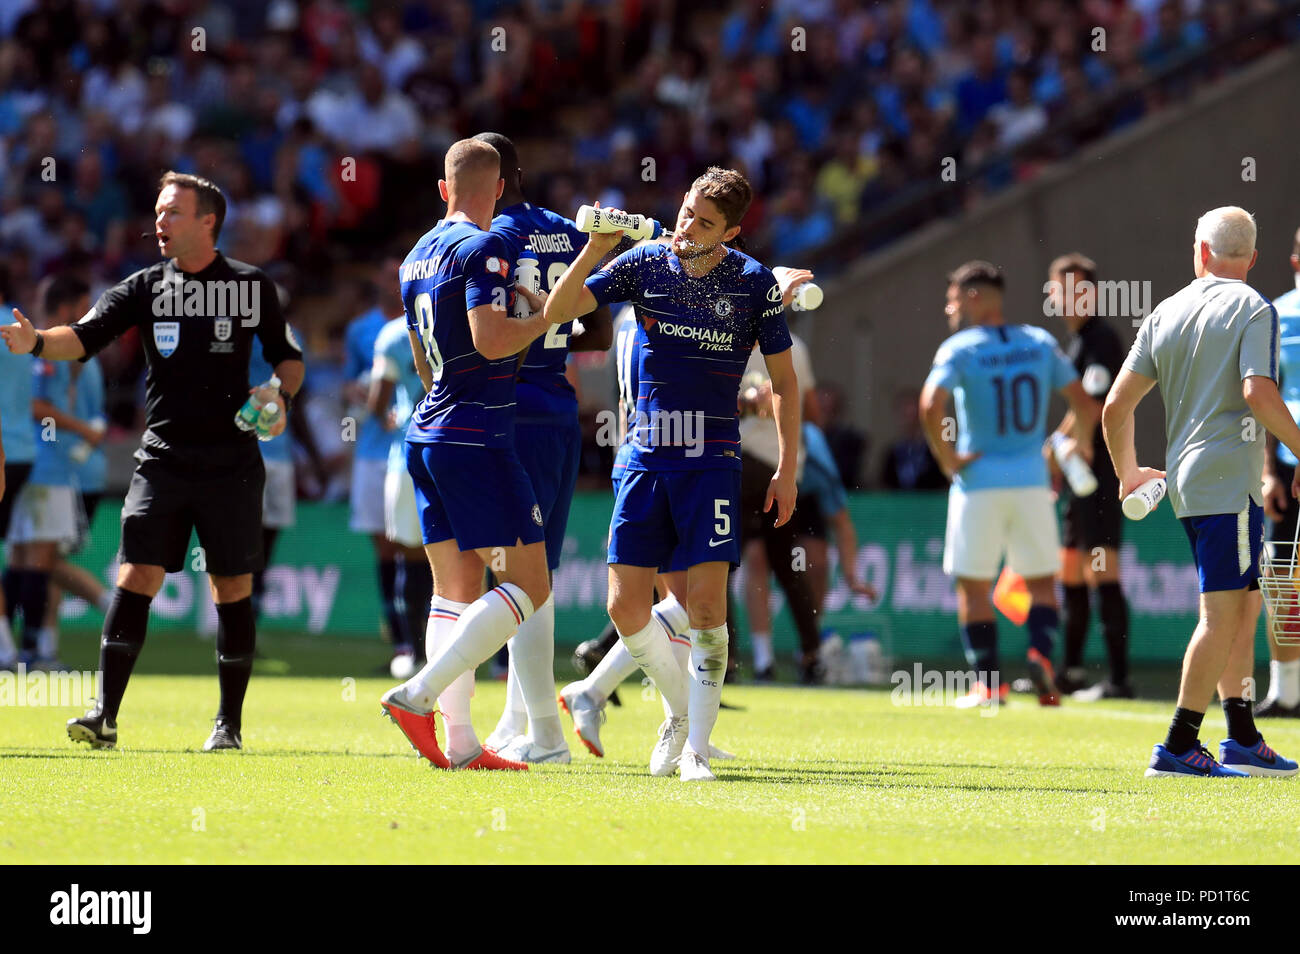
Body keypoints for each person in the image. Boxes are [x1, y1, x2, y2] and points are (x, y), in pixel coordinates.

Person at [1, 171, 305, 752]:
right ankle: (104, 715)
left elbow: (288, 360)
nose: (159, 222)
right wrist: (37, 340)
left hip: (232, 463)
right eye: (158, 211)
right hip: (161, 459)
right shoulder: (142, 286)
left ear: (207, 221)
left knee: (231, 586)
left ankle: (228, 726)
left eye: (172, 213)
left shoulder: (251, 286)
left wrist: (277, 394)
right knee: (135, 573)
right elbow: (86, 336)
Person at [546, 167, 801, 781]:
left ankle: (692, 747)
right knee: (624, 606)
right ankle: (682, 715)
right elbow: (559, 313)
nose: (687, 227)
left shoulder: (751, 283)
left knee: (706, 607)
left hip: (712, 461)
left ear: (732, 233)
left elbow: (785, 385)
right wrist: (595, 250)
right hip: (644, 457)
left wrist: (788, 469)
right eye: (686, 212)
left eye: (705, 223)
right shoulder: (646, 263)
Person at [378, 138, 558, 772]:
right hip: (478, 434)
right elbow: (488, 341)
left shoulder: (415, 257)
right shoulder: (484, 247)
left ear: (442, 188)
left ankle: (457, 744)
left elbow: (426, 362)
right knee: (529, 584)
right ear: (501, 188)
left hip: (427, 433)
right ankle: (418, 694)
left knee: (452, 592)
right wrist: (545, 317)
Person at [1104, 206, 1298, 777]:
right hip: (1228, 482)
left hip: (1188, 482)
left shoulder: (1166, 310)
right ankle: (1180, 743)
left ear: (1201, 251)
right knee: (1221, 615)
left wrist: (1128, 474)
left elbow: (1116, 407)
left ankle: (1240, 735)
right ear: (1253, 258)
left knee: (1238, 604)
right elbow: (1259, 394)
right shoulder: (1254, 307)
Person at [473, 131, 613, 764]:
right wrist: (552, 327)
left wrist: (525, 332)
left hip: (504, 410)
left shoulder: (486, 239)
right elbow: (600, 327)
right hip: (557, 411)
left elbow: (480, 331)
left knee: (513, 575)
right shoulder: (566, 230)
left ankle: (540, 732)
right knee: (538, 575)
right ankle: (517, 720)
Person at [919, 260, 1096, 708]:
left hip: (978, 481)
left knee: (974, 586)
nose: (950, 307)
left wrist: (947, 458)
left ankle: (990, 685)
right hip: (1033, 482)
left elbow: (929, 405)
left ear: (974, 298)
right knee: (1040, 583)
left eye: (955, 298)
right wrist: (1061, 445)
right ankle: (1041, 656)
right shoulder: (1039, 342)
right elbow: (1085, 404)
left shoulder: (960, 348)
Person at [1045, 252, 1134, 700]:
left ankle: (1119, 680)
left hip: (1097, 478)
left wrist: (1061, 446)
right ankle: (1070, 672)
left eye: (1076, 289)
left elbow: (1093, 408)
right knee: (1071, 574)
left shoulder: (1101, 339)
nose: (1066, 299)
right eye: (1060, 290)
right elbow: (1078, 410)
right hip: (1078, 482)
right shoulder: (1076, 343)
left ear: (1091, 294)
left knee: (1103, 574)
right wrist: (1056, 446)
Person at [5, 274, 101, 669]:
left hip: (34, 463)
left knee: (27, 557)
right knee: (36, 561)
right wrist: (85, 430)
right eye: (85, 305)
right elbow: (38, 408)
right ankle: (32, 648)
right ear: (68, 307)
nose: (90, 314)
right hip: (46, 466)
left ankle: (34, 646)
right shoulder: (48, 350)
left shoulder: (33, 344)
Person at [344, 268, 413, 670]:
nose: (394, 281)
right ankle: (401, 644)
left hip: (409, 450)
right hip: (375, 453)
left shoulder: (430, 315)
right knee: (385, 547)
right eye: (387, 275)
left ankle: (414, 642)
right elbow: (351, 381)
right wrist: (358, 391)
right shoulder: (362, 329)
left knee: (415, 548)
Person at [367, 266, 434, 680]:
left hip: (409, 450)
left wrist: (395, 420)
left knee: (410, 557)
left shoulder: (393, 333)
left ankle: (414, 654)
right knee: (468, 559)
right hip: (462, 449)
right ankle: (486, 658)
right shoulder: (465, 315)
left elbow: (377, 403)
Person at [1257, 226, 1300, 717]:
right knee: (1281, 576)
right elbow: (1265, 399)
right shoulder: (1275, 315)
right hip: (1289, 470)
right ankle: (1287, 693)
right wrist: (1268, 470)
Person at [0, 263, 35, 670]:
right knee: (17, 552)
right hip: (24, 449)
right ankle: (23, 643)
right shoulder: (20, 325)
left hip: (3, 450)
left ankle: (9, 649)